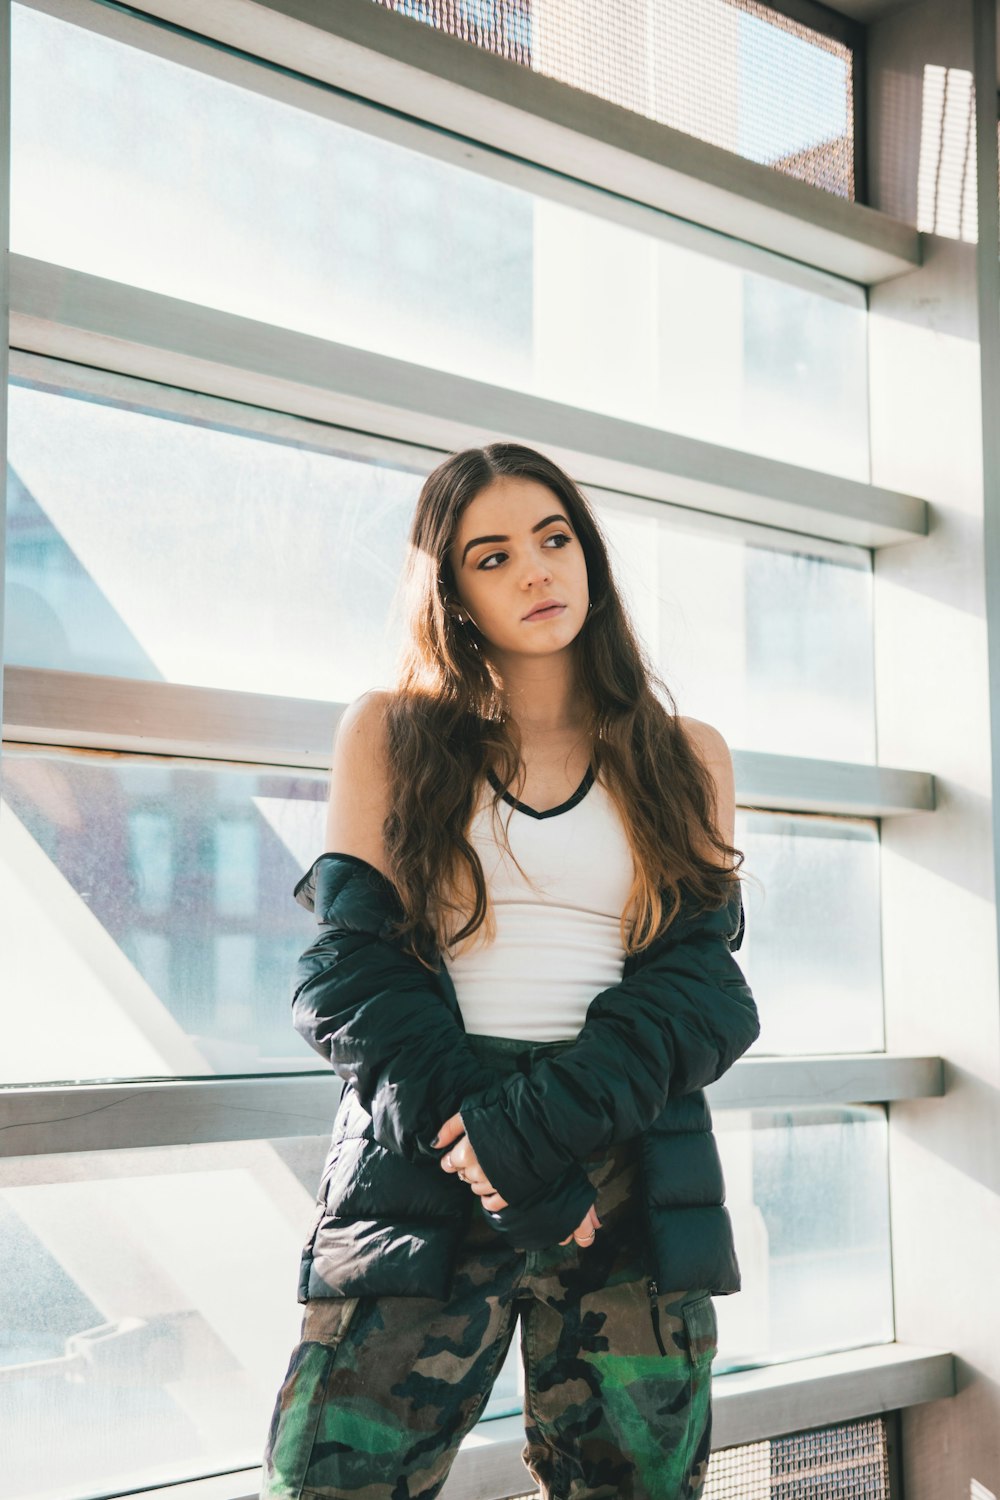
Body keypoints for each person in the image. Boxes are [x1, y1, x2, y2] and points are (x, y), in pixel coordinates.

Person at [260, 442, 759, 1500]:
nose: (536, 571)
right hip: (420, 1157)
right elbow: (348, 978)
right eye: (492, 557)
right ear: (451, 593)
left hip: (625, 1155)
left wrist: (528, 1136)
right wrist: (498, 1156)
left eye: (554, 537)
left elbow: (702, 993)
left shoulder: (687, 755)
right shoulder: (390, 735)